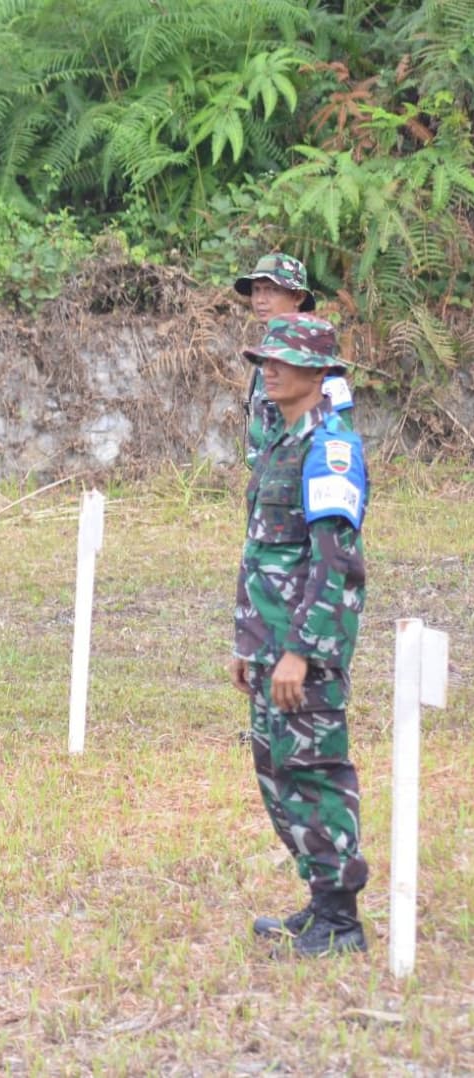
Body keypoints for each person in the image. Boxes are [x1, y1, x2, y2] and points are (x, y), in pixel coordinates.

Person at [228, 314, 370, 958]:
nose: (269, 367)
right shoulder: (283, 443)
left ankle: (341, 921)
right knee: (277, 774)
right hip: (270, 646)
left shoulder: (329, 448)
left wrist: (301, 652)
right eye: (265, 358)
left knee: (314, 774)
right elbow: (265, 553)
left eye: (283, 359)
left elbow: (335, 562)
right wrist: (251, 644)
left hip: (302, 652)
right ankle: (319, 904)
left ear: (318, 373)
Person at [234, 252, 353, 467]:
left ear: (298, 297)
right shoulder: (267, 349)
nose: (261, 300)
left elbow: (339, 432)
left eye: (272, 290)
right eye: (256, 290)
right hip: (268, 476)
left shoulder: (311, 349)